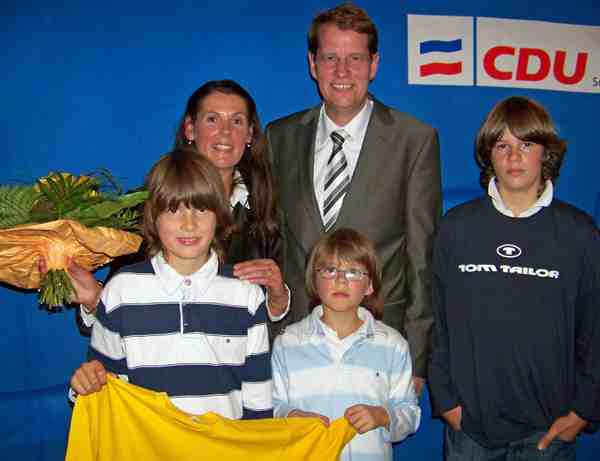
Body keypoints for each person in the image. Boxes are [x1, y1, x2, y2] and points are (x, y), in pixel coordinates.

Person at [264, 3, 441, 392]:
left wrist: (417, 357)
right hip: (294, 343)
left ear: (374, 64)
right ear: (313, 64)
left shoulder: (415, 140)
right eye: (330, 58)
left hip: (379, 343)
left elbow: (422, 259)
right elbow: (272, 241)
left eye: (355, 58)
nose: (342, 72)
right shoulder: (279, 137)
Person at [428, 96, 600, 460]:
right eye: (501, 145)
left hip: (549, 431)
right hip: (470, 430)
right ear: (488, 154)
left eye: (526, 144)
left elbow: (596, 328)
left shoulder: (580, 234)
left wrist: (584, 411)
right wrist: (445, 401)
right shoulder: (456, 229)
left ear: (546, 153)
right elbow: (435, 319)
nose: (513, 156)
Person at [68, 80, 288, 332]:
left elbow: (275, 320)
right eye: (212, 119)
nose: (225, 132)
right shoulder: (145, 207)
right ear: (190, 129)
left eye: (236, 121)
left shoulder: (267, 208)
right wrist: (93, 298)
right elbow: (113, 311)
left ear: (250, 134)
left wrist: (279, 298)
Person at [70, 150, 273, 419]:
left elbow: (258, 400)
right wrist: (86, 384)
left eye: (201, 208)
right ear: (153, 217)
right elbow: (105, 388)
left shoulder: (246, 296)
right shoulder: (122, 291)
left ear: (220, 215)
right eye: (174, 209)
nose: (189, 224)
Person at [271, 228, 420, 461]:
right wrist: (292, 415)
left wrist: (383, 416)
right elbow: (272, 406)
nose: (340, 280)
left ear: (370, 285)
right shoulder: (288, 342)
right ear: (314, 280)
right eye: (330, 270)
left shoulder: (393, 344)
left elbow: (409, 413)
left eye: (353, 272)